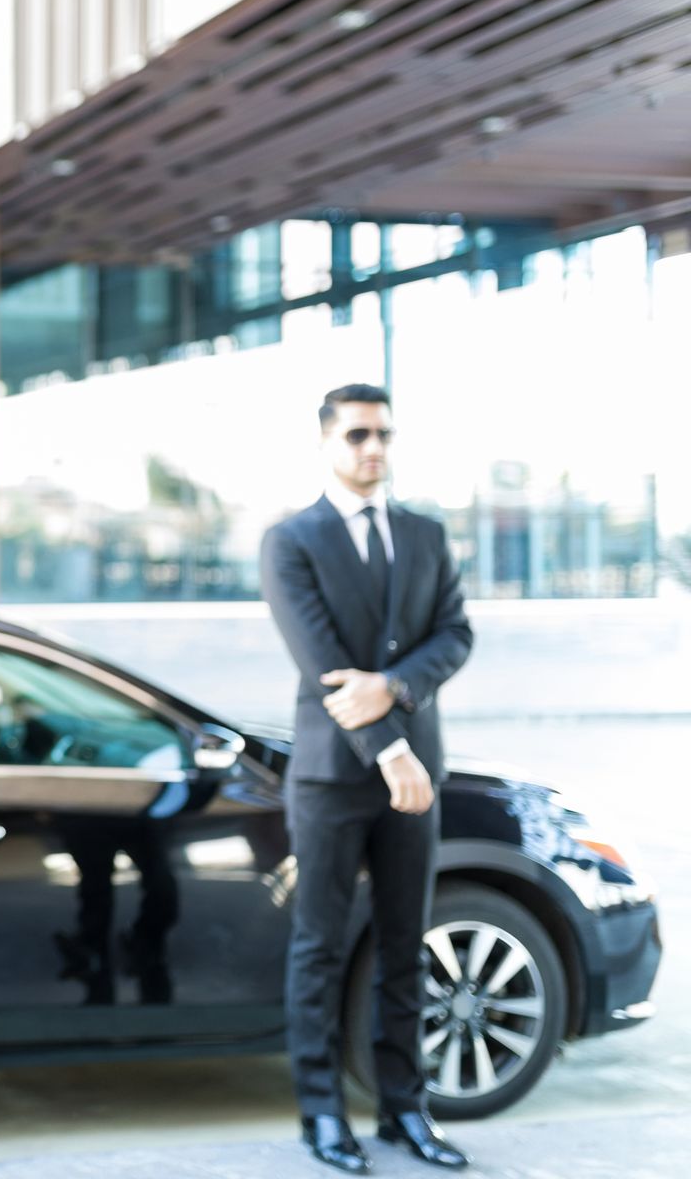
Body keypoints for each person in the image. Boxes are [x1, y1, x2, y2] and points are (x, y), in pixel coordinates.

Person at [260, 383, 474, 1174]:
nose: (373, 448)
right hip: (334, 776)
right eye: (357, 435)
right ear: (327, 443)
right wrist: (390, 749)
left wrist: (394, 685)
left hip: (413, 774)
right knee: (318, 947)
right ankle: (322, 1114)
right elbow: (324, 667)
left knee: (405, 945)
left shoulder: (425, 534)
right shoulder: (290, 541)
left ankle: (404, 1110)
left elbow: (454, 633)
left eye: (383, 433)